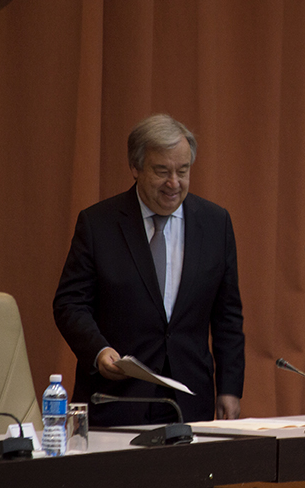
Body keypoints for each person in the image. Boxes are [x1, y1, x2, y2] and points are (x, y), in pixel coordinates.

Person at [53, 114, 245, 426]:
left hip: (189, 401)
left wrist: (229, 388)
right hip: (115, 398)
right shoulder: (98, 224)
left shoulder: (215, 223)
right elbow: (69, 304)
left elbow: (228, 316)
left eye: (182, 171)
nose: (174, 183)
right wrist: (99, 350)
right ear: (136, 168)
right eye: (162, 171)